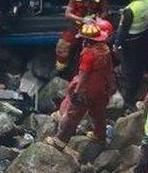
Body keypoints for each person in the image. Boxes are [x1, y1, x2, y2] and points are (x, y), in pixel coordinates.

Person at [48, 19, 116, 147]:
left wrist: (77, 92)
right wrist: (111, 86)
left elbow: (83, 75)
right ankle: (100, 135)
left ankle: (60, 141)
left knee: (72, 116)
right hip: (101, 89)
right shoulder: (105, 50)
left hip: (86, 91)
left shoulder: (88, 54)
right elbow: (109, 70)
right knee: (98, 114)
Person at [56, 0, 110, 73]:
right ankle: (61, 69)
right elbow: (68, 14)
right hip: (78, 26)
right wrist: (82, 20)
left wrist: (98, 20)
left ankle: (96, 70)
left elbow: (105, 11)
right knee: (62, 45)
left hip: (94, 27)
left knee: (97, 49)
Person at [115, 0, 148, 105]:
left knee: (129, 71)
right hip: (143, 39)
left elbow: (122, 31)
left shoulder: (130, 9)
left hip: (129, 43)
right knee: (140, 64)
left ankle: (129, 100)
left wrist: (117, 44)